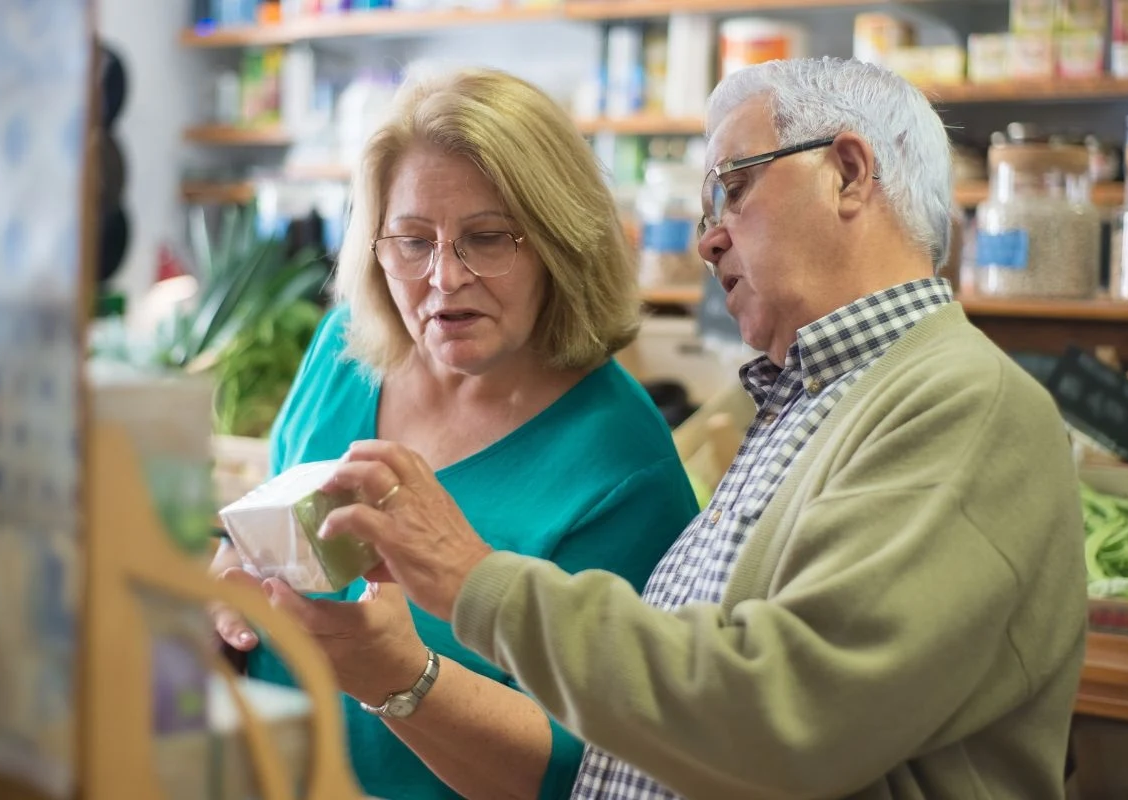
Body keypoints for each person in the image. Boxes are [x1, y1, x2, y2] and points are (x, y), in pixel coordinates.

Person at [316, 57, 1089, 799]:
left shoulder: (963, 405)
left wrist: (473, 581)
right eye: (413, 241)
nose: (707, 238)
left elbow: (787, 715)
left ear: (848, 172)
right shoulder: (823, 399)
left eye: (733, 189)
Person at [208, 67, 700, 800]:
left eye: (487, 237)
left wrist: (402, 681)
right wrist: (228, 584)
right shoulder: (346, 353)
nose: (444, 277)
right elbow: (268, 528)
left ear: (561, 244)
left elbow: (595, 771)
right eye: (412, 241)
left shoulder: (624, 471)